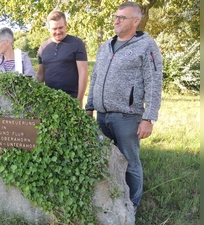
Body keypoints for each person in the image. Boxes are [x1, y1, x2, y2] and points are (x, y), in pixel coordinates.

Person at [85, 1, 163, 213]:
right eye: (116, 16)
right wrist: (89, 106)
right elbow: (95, 78)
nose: (116, 20)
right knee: (104, 159)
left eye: (122, 17)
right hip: (102, 116)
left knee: (130, 162)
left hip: (127, 117)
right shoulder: (105, 46)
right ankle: (110, 200)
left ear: (136, 21)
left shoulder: (146, 46)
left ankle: (132, 205)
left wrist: (149, 118)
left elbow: (154, 82)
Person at [36, 10, 88, 107]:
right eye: (54, 29)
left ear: (66, 25)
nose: (58, 32)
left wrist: (79, 100)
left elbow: (83, 73)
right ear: (48, 29)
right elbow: (40, 75)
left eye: (61, 27)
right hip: (49, 100)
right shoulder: (43, 47)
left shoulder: (77, 43)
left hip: (71, 99)